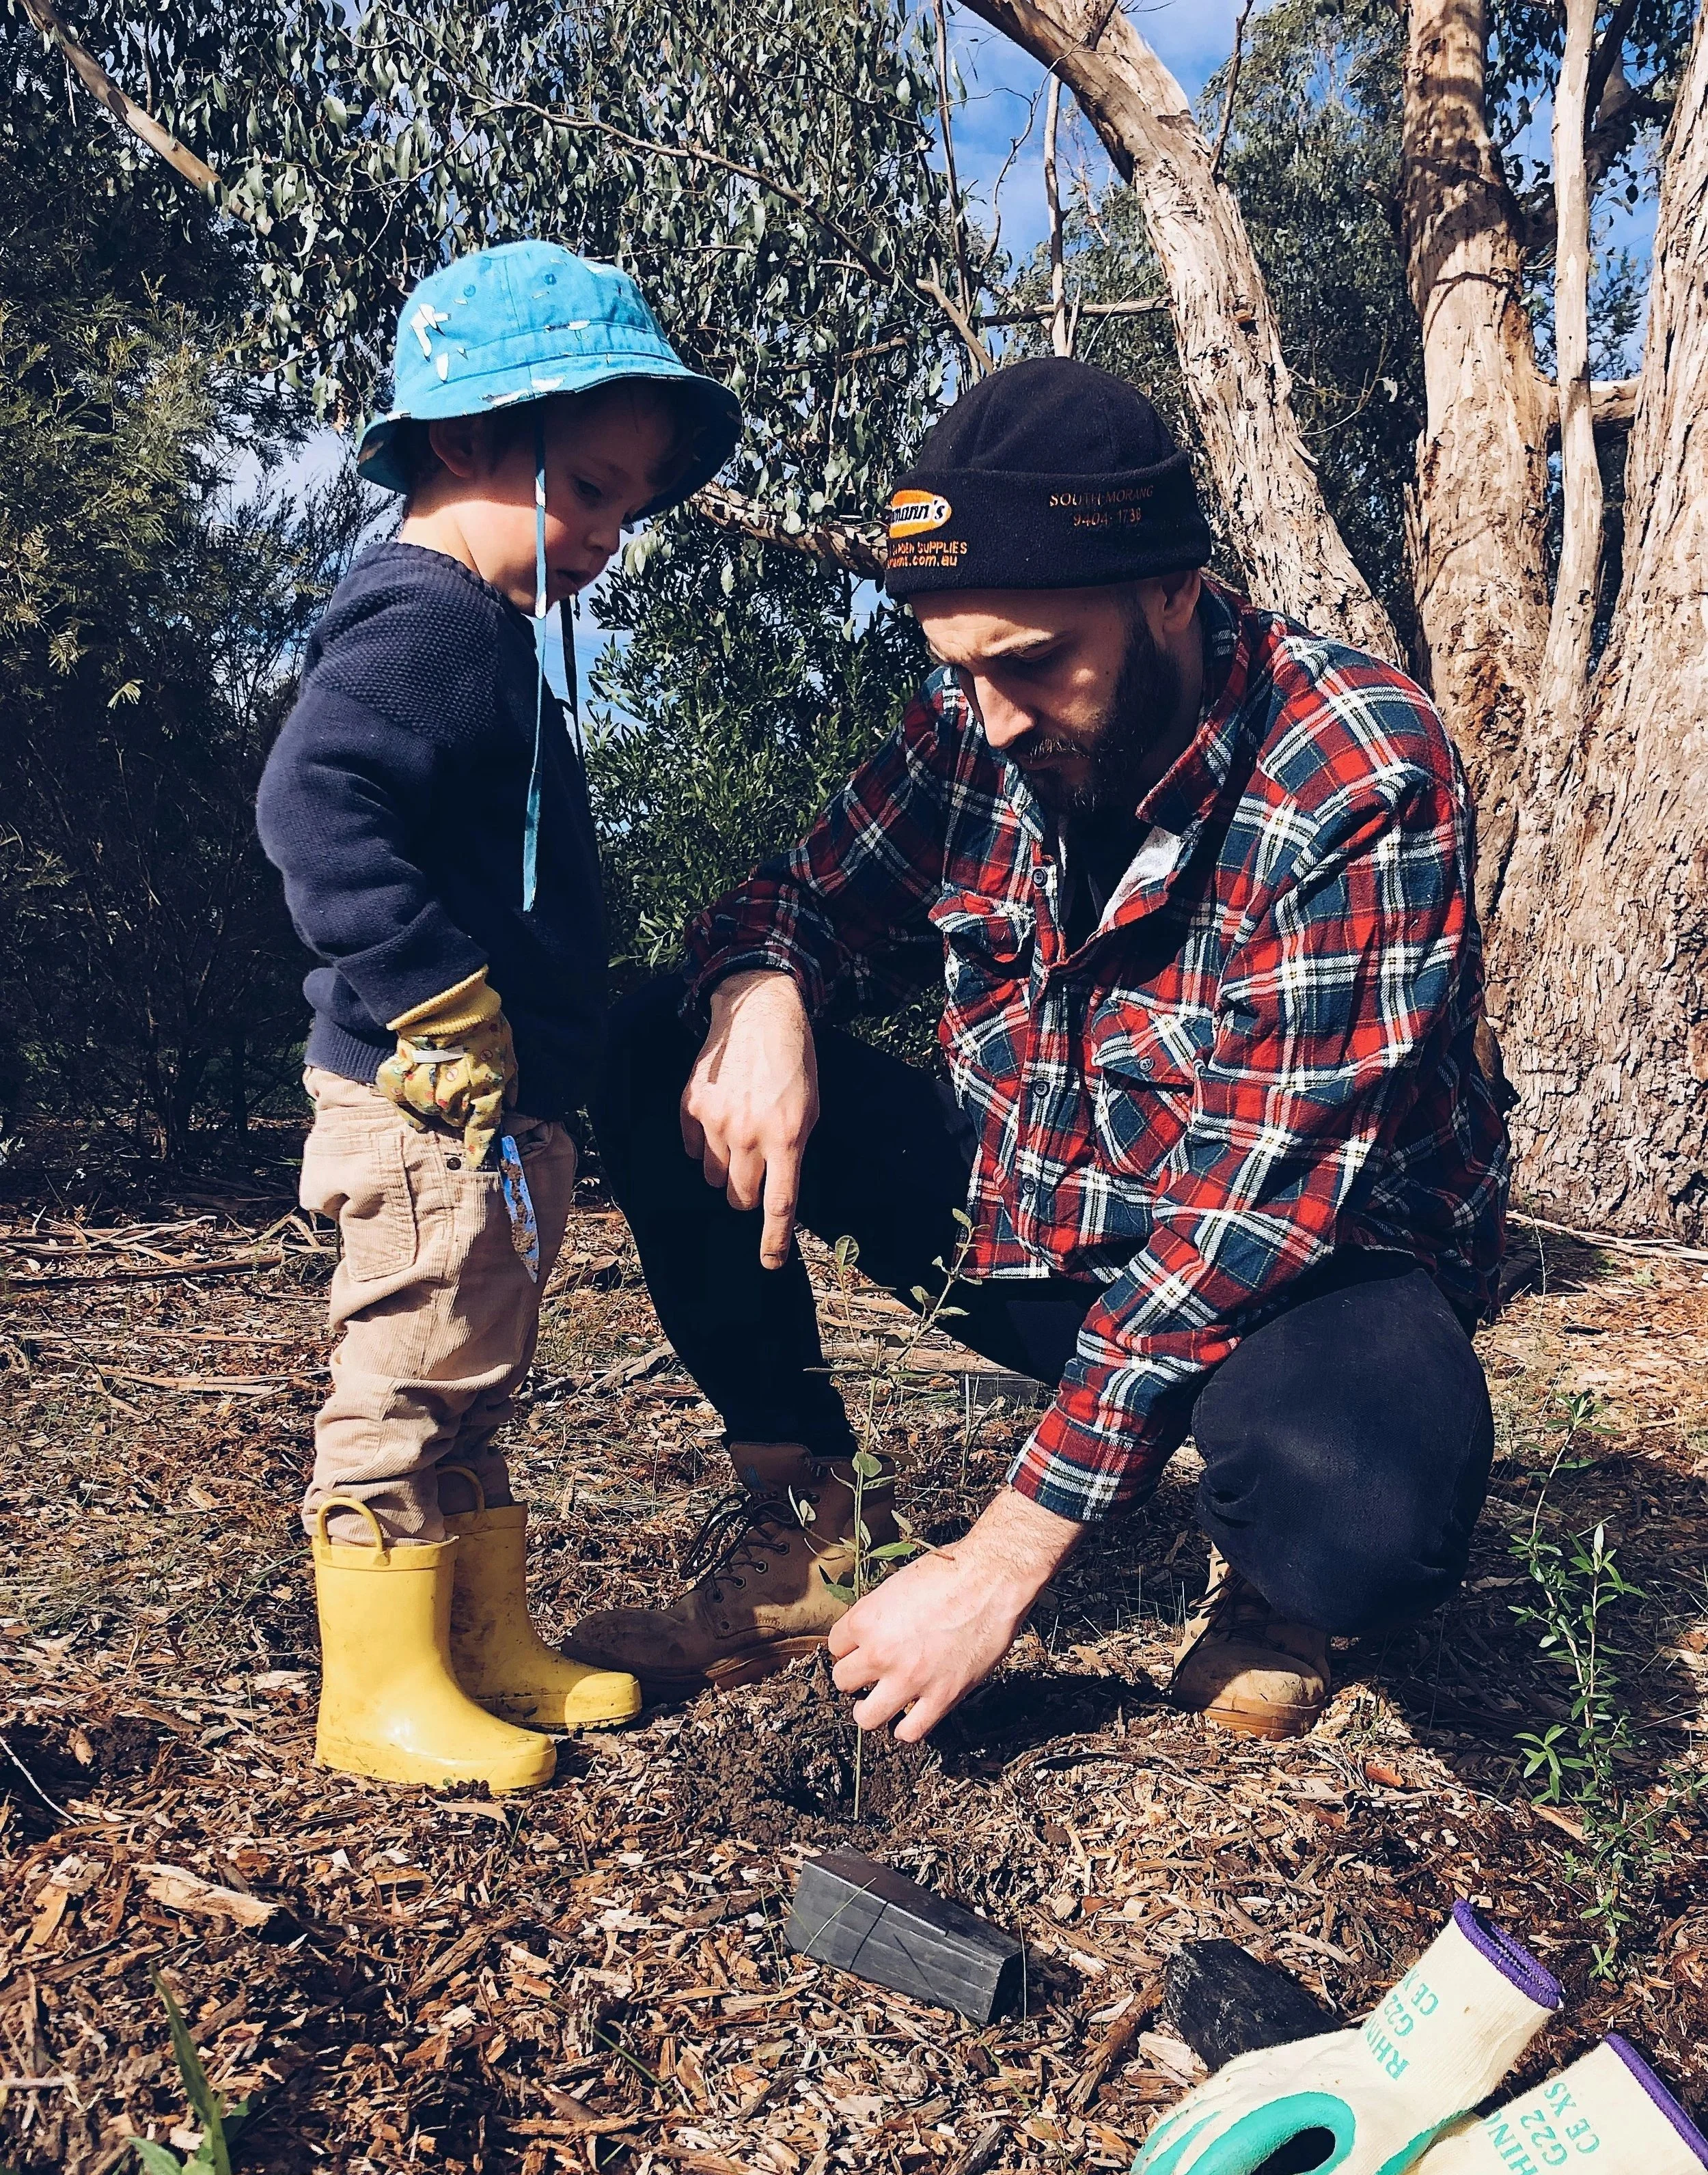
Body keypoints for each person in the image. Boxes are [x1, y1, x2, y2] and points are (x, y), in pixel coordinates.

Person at [569, 359, 1506, 1744]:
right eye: (958, 666)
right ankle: (805, 1519)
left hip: (1298, 1266)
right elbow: (794, 898)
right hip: (1044, 1218)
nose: (993, 714)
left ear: (1172, 592)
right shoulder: (977, 722)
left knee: (1365, 1513)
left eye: (1031, 662)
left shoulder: (1355, 773)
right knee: (664, 1038)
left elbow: (1248, 1215)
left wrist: (1003, 1558)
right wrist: (762, 994)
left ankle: (1272, 1587)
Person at [257, 240, 740, 1791]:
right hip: (421, 1102)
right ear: (472, 441)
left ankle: (479, 1645)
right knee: (406, 1376)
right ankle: (378, 1694)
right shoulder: (433, 625)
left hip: (486, 1106)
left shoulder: (485, 635)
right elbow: (312, 802)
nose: (608, 534)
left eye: (623, 504)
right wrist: (436, 997)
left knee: (470, 1366)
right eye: (590, 489)